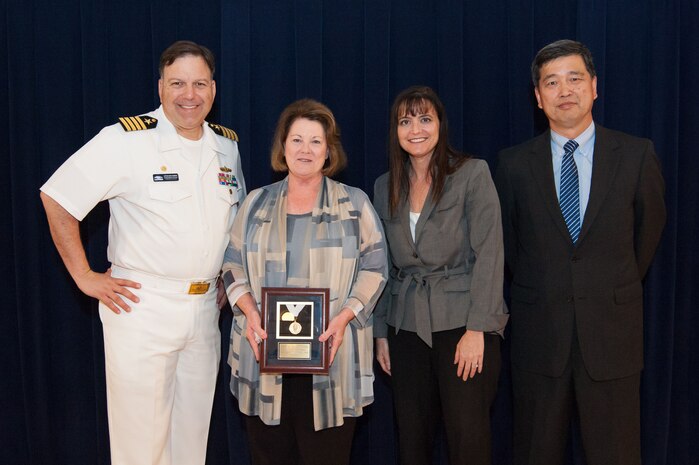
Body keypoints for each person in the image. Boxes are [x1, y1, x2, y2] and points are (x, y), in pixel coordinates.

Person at [39, 40, 246, 465]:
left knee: (191, 442)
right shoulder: (125, 140)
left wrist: (226, 279)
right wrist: (84, 275)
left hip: (205, 310)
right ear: (160, 87)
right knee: (141, 448)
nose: (189, 95)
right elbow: (57, 196)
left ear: (213, 88)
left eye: (199, 84)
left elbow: (232, 223)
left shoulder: (226, 146)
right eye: (178, 83)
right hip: (142, 306)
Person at [495, 39, 666, 465]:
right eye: (551, 82)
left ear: (594, 87)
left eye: (574, 79)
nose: (564, 90)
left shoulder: (636, 154)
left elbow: (646, 237)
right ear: (538, 97)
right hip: (540, 339)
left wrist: (605, 284)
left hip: (612, 336)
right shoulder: (512, 165)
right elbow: (510, 247)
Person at [221, 99, 388, 465]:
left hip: (332, 358)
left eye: (316, 141)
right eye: (297, 139)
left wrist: (344, 318)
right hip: (263, 357)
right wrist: (248, 310)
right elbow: (231, 263)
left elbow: (376, 269)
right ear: (283, 146)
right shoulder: (255, 204)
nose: (305, 150)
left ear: (329, 150)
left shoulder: (354, 204)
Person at [373, 86, 508, 465]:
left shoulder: (471, 173)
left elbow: (491, 253)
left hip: (463, 327)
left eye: (424, 118)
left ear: (440, 125)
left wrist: (478, 329)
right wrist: (380, 333)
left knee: (468, 439)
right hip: (406, 329)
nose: (415, 128)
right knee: (411, 441)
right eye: (405, 121)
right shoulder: (385, 186)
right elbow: (383, 266)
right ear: (396, 130)